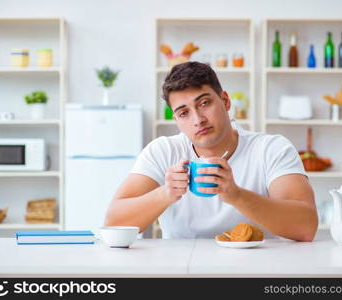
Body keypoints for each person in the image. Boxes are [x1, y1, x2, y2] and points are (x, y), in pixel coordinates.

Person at [104, 61, 318, 241]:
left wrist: (237, 195)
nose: (198, 120)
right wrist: (165, 193)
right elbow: (113, 224)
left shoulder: (270, 149)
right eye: (184, 113)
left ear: (225, 101)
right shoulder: (163, 151)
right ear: (176, 120)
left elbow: (306, 227)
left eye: (204, 103)